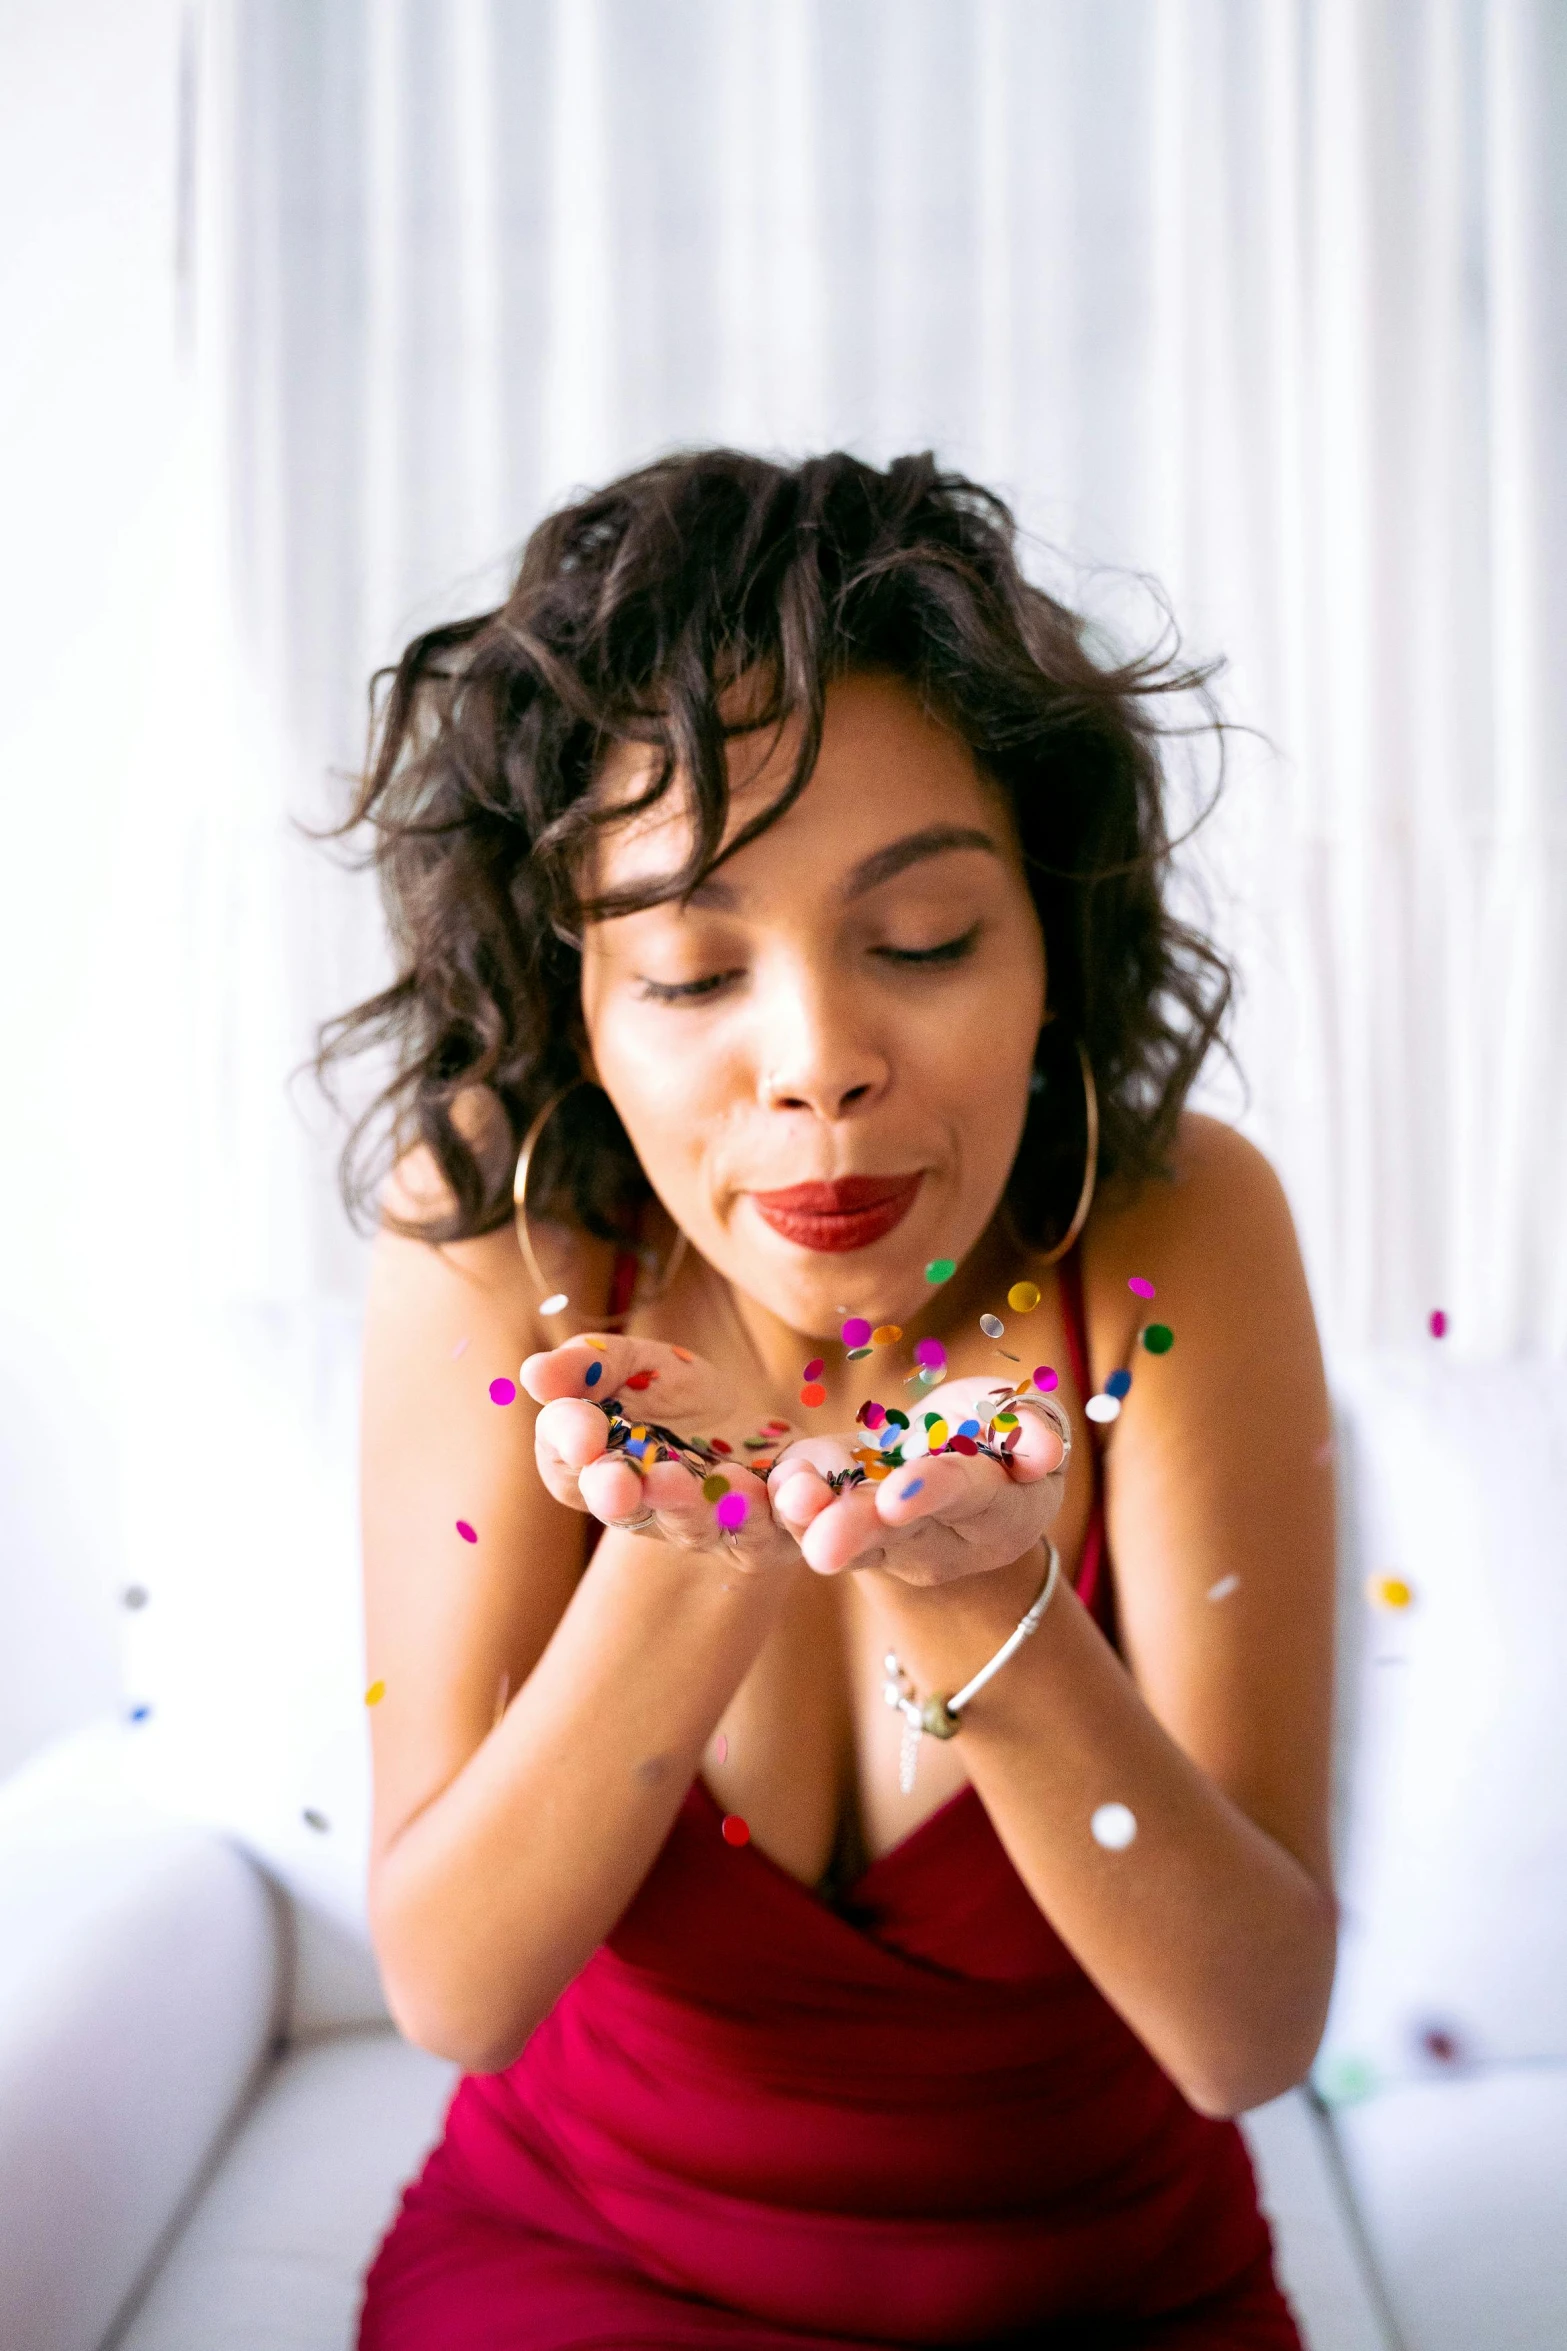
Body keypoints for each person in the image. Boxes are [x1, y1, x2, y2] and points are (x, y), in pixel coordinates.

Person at [330, 450, 1337, 2349]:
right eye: (697, 968)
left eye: (924, 941)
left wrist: (987, 1603)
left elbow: (1250, 2032)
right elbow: (453, 1992)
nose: (817, 1066)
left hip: (1109, 2282)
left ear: (1049, 945)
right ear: (584, 1008)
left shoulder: (1171, 1233)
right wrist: (693, 1553)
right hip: (587, 2273)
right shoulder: (497, 1237)